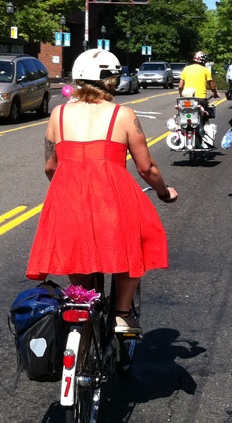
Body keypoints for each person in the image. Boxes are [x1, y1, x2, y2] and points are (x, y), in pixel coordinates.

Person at [26, 49, 178, 334]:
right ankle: (122, 314)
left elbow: (50, 167)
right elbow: (147, 169)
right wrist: (163, 192)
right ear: (113, 81)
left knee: (79, 264)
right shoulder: (123, 114)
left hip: (68, 199)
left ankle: (81, 320)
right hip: (113, 199)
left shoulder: (58, 114)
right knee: (135, 248)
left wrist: (69, 191)